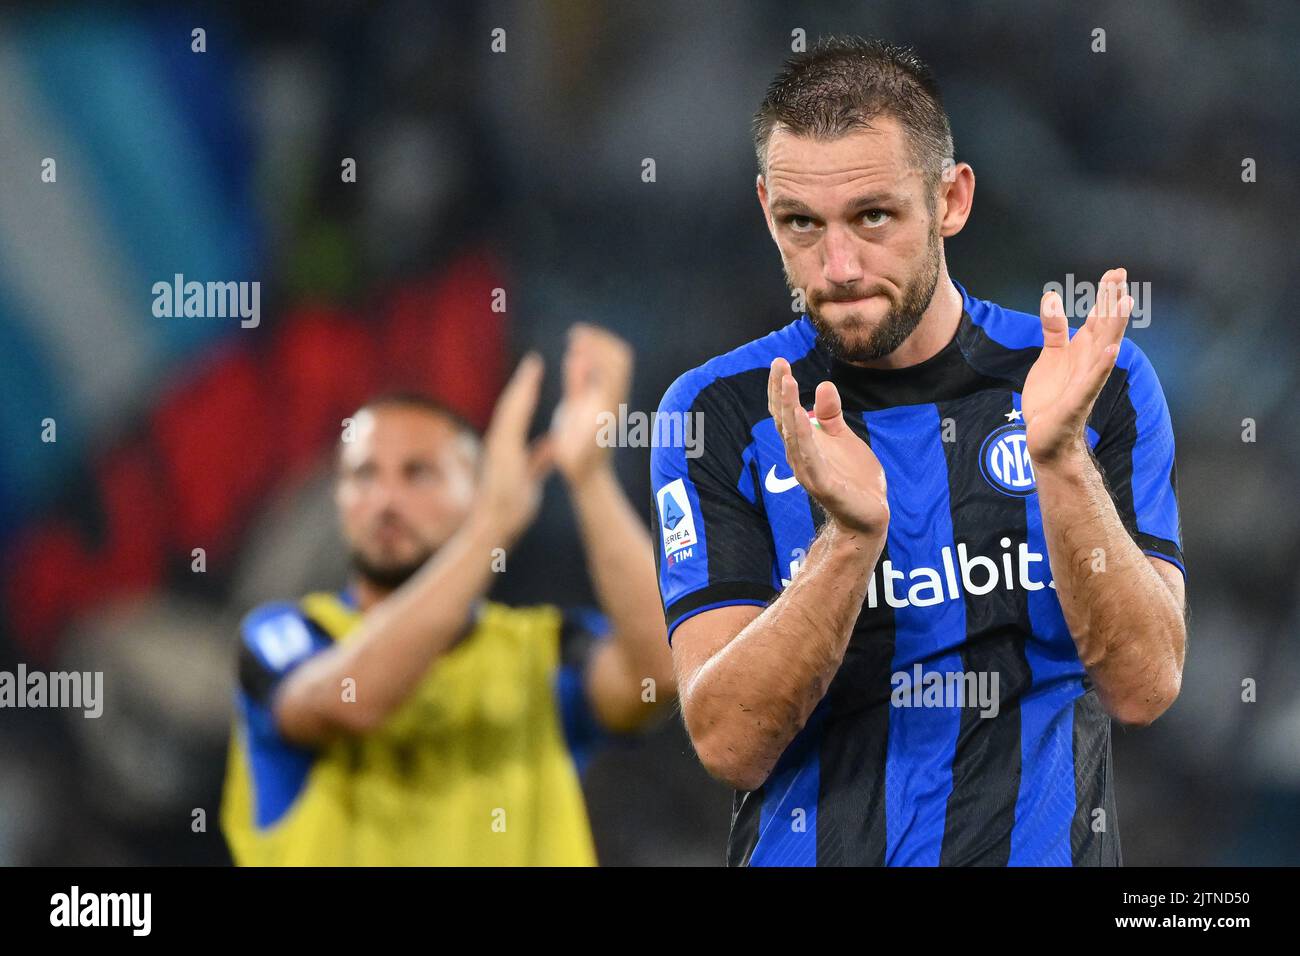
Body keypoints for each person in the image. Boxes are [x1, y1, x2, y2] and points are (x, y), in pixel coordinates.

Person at [651, 36, 1186, 866]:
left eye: (873, 216)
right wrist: (848, 544)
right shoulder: (719, 412)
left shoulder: (1088, 382)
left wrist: (1060, 464)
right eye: (801, 224)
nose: (838, 266)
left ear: (951, 200)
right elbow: (728, 742)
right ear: (766, 210)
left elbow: (1145, 686)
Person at [222, 324, 674, 865]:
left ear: (477, 490)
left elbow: (662, 675)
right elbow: (353, 701)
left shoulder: (542, 655)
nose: (386, 500)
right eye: (363, 475)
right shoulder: (287, 637)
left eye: (419, 474)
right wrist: (491, 528)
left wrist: (590, 476)